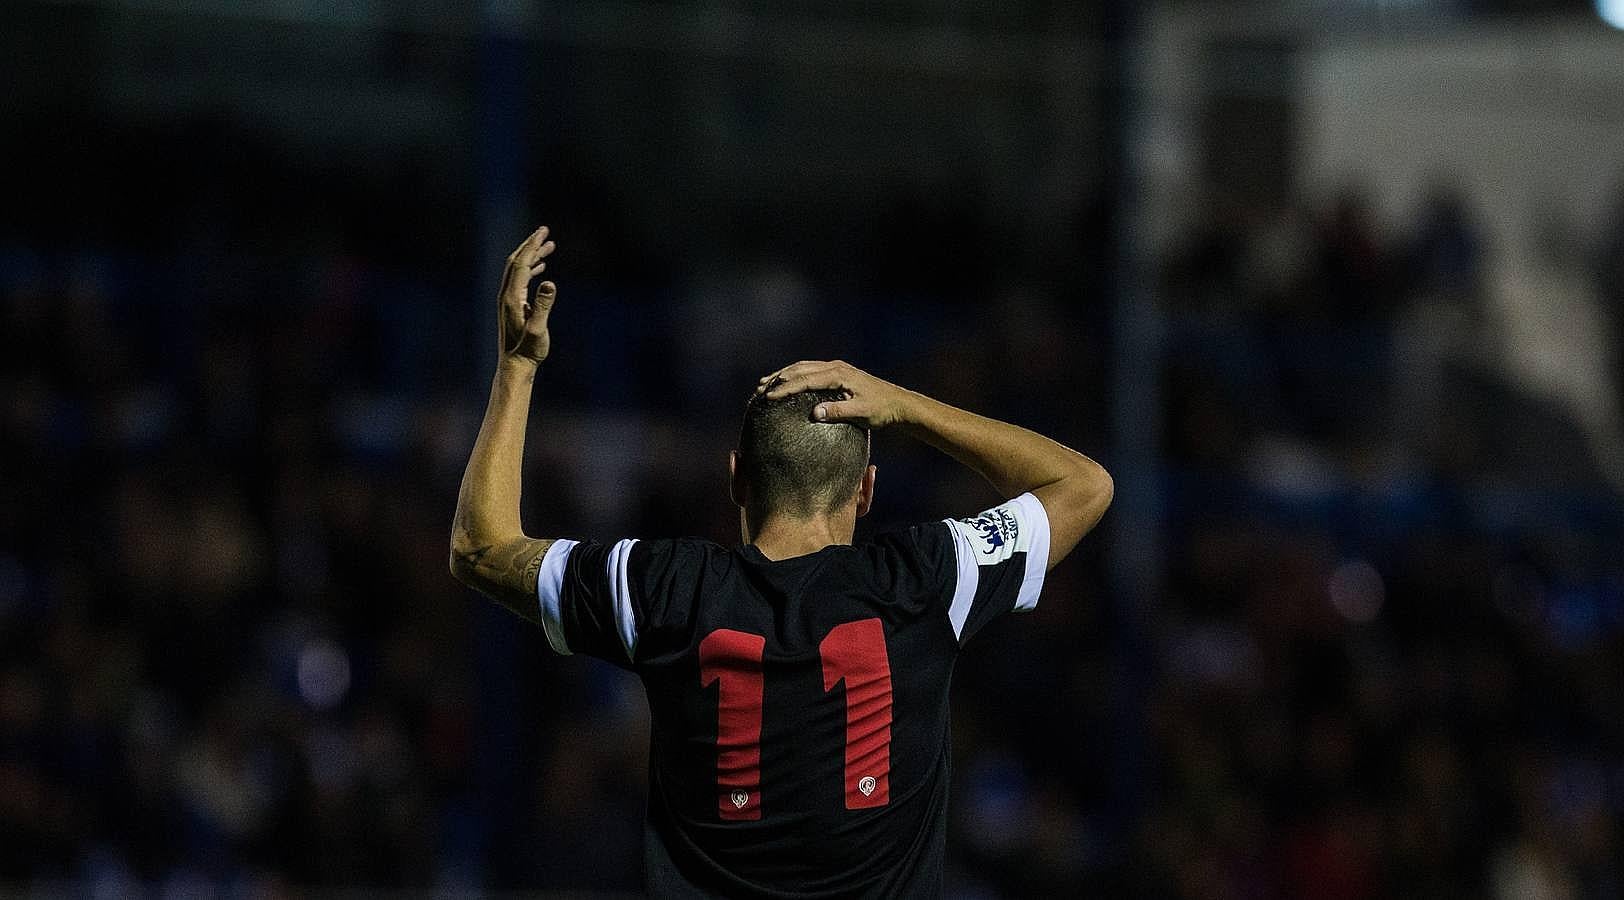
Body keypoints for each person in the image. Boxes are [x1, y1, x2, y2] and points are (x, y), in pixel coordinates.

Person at [451, 226, 1114, 897]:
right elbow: (1084, 485)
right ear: (866, 490)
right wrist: (904, 405)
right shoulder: (927, 580)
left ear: (737, 478)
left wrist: (517, 367)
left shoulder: (661, 588)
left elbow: (480, 548)